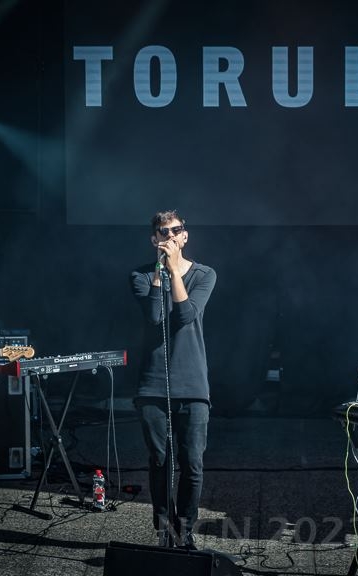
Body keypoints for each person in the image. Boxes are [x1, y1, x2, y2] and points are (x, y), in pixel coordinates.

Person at [129, 210, 217, 549]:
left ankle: (186, 530)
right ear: (154, 239)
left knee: (192, 463)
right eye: (163, 232)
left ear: (184, 236)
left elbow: (185, 314)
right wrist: (159, 272)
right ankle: (165, 531)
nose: (169, 236)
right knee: (161, 462)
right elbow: (154, 316)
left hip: (193, 385)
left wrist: (174, 273)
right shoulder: (140, 276)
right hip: (153, 385)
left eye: (175, 230)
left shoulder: (205, 274)